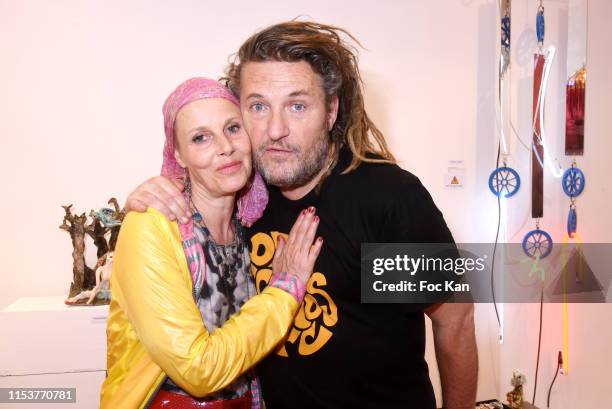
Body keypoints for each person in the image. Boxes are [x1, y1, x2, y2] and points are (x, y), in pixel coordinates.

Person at [126, 22, 478, 409]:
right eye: (258, 106)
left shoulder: (386, 198)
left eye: (297, 106)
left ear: (330, 112)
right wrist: (151, 195)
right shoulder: (245, 196)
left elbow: (453, 322)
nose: (276, 130)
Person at [101, 77, 323, 408]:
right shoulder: (152, 225)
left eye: (233, 128)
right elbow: (198, 370)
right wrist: (284, 290)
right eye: (201, 138)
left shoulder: (252, 219)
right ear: (178, 153)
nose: (225, 146)